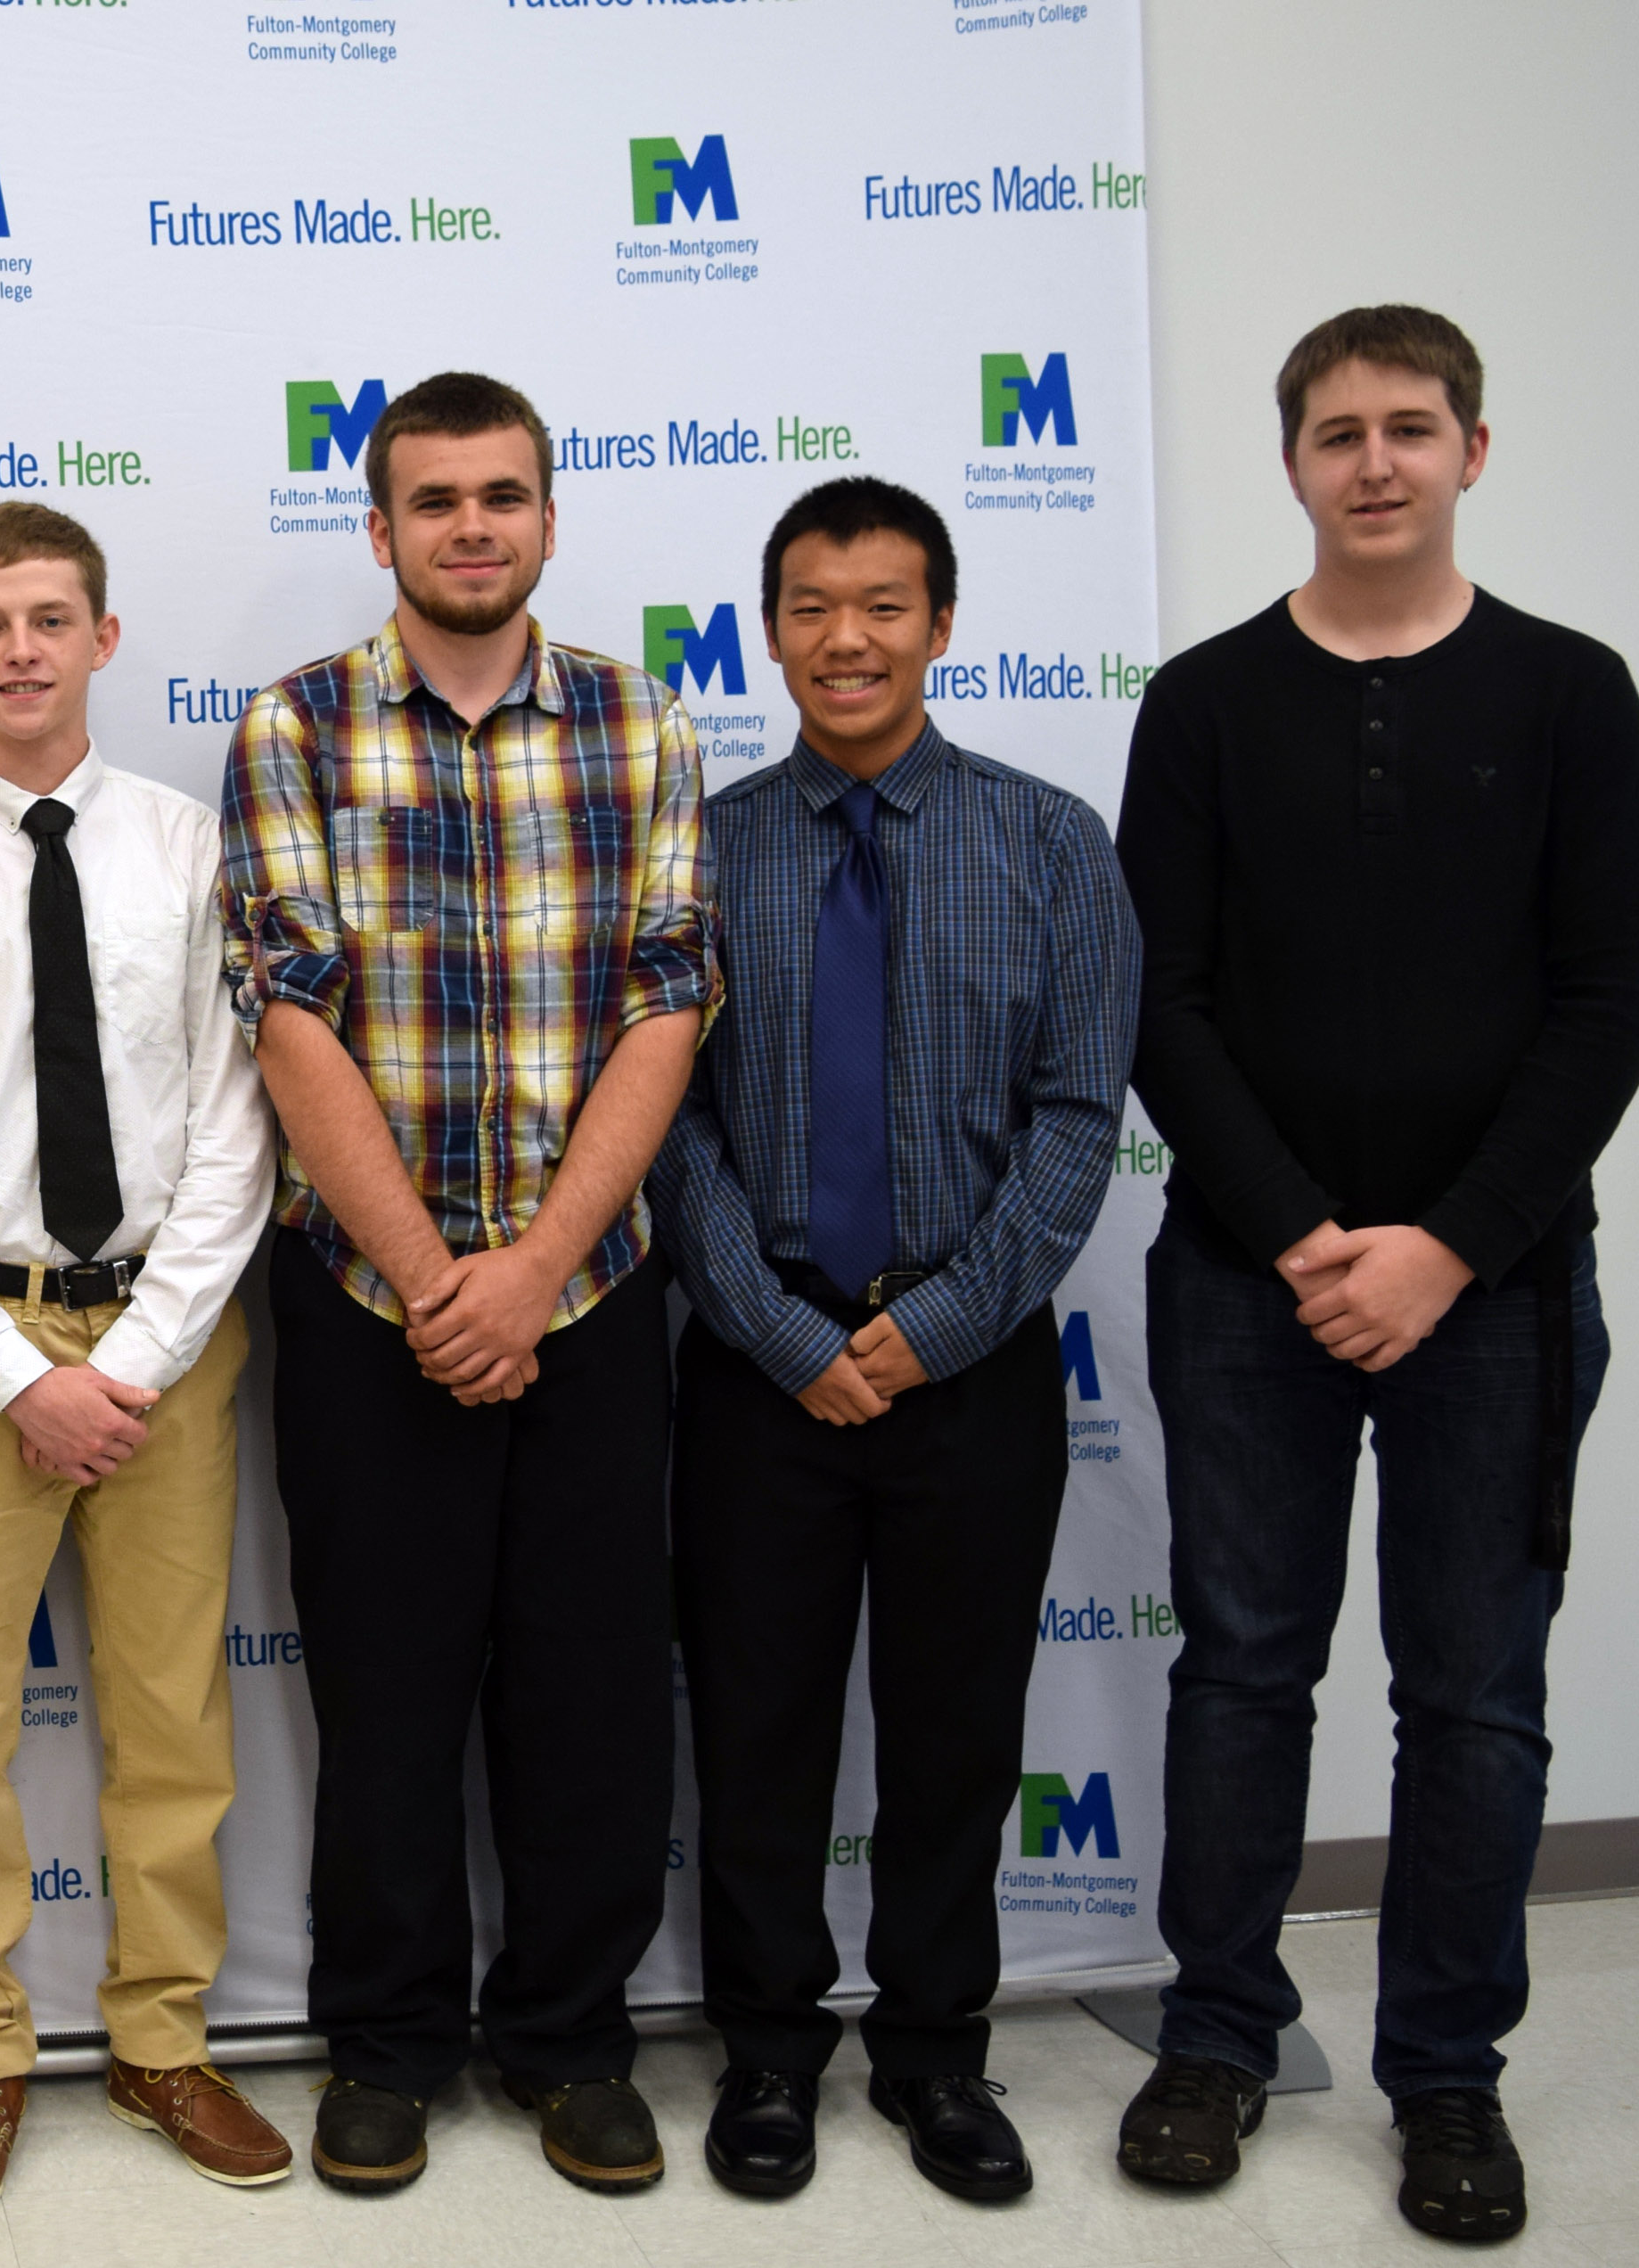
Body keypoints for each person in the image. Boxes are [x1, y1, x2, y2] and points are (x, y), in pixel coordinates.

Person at [1113, 305, 1639, 2246]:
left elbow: (1603, 1005)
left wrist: (1442, 1248)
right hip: (1249, 1284)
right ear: (1293, 465)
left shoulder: (1577, 694)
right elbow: (1158, 999)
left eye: (1410, 429)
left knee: (1474, 1700)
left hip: (1493, 1289)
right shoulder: (1204, 700)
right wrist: (1304, 1236)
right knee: (1245, 1672)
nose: (1374, 463)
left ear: (1472, 454)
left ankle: (1447, 2084)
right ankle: (1216, 2041)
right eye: (1336, 432)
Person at [216, 369, 716, 2197]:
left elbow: (669, 1005)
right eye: (435, 501)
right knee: (387, 1689)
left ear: (549, 517)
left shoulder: (645, 728)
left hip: (590, 1306)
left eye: (502, 495)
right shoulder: (291, 731)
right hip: (367, 1308)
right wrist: (442, 1287)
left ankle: (571, 2044)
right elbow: (288, 1017)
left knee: (588, 1693)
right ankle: (393, 2042)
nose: (472, 527)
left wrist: (534, 1277)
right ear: (381, 528)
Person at [648, 477, 1139, 2205]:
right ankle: (768, 2055)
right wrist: (787, 1336)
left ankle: (937, 2055)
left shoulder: (1051, 840)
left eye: (881, 605)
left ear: (941, 622)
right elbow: (668, 1123)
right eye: (807, 606)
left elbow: (1080, 1119)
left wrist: (923, 1332)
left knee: (953, 1734)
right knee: (762, 1729)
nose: (843, 639)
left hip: (971, 1368)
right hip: (754, 1365)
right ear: (768, 627)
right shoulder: (695, 848)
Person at [0, 505, 283, 2215]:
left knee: (170, 1708)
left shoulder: (191, 852)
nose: (19, 647)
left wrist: (143, 1355)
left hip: (170, 1335)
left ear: (105, 637)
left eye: (49, 616)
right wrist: (19, 1375)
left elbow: (237, 1134)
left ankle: (164, 2037)